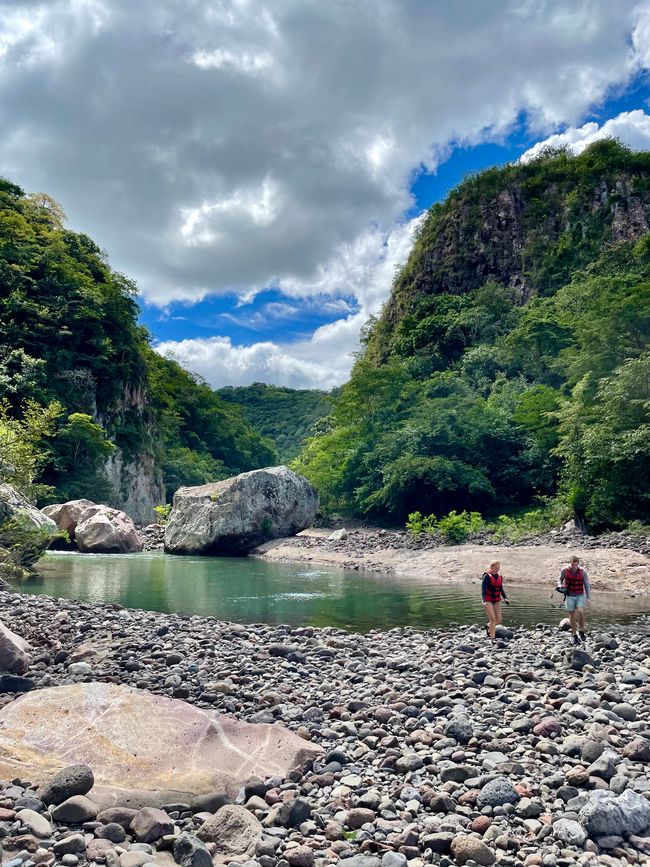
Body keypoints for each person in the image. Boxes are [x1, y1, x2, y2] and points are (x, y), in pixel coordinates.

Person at [560, 555, 591, 645]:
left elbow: (587, 585)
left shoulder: (583, 572)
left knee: (581, 611)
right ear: (570, 563)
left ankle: (581, 631)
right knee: (571, 614)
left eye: (575, 565)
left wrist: (589, 598)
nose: (573, 566)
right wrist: (559, 585)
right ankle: (574, 635)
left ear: (578, 564)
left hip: (580, 595)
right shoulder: (565, 570)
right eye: (572, 564)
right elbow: (560, 579)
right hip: (569, 595)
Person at [482, 561, 509, 640]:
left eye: (499, 567)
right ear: (492, 567)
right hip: (488, 599)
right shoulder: (487, 576)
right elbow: (483, 589)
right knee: (493, 619)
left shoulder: (500, 576)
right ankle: (493, 639)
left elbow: (501, 588)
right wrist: (484, 601)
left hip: (496, 599)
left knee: (498, 620)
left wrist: (505, 597)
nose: (498, 569)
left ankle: (488, 626)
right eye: (496, 567)